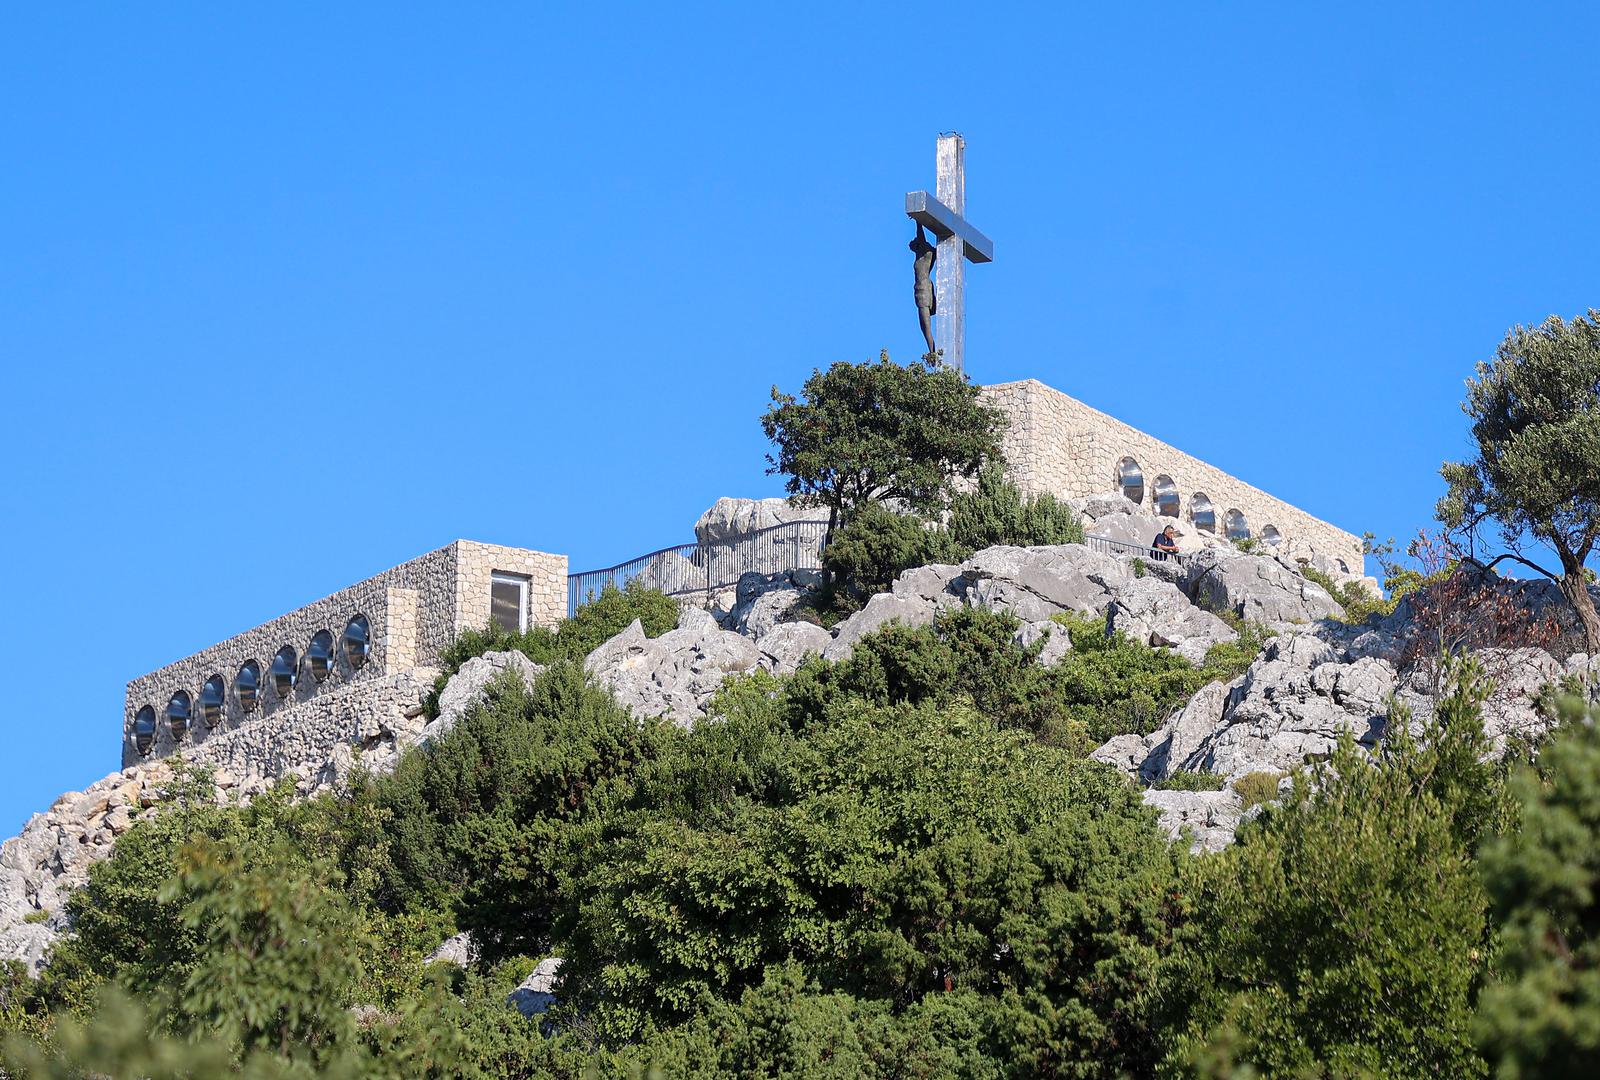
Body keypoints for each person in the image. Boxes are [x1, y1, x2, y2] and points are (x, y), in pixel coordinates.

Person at [910, 223, 937, 357]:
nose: (911, 242)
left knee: (925, 325)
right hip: (922, 289)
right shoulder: (922, 255)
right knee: (925, 326)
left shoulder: (923, 253)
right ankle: (933, 351)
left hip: (923, 290)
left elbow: (919, 233)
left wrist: (918, 221)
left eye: (914, 241)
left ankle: (933, 352)